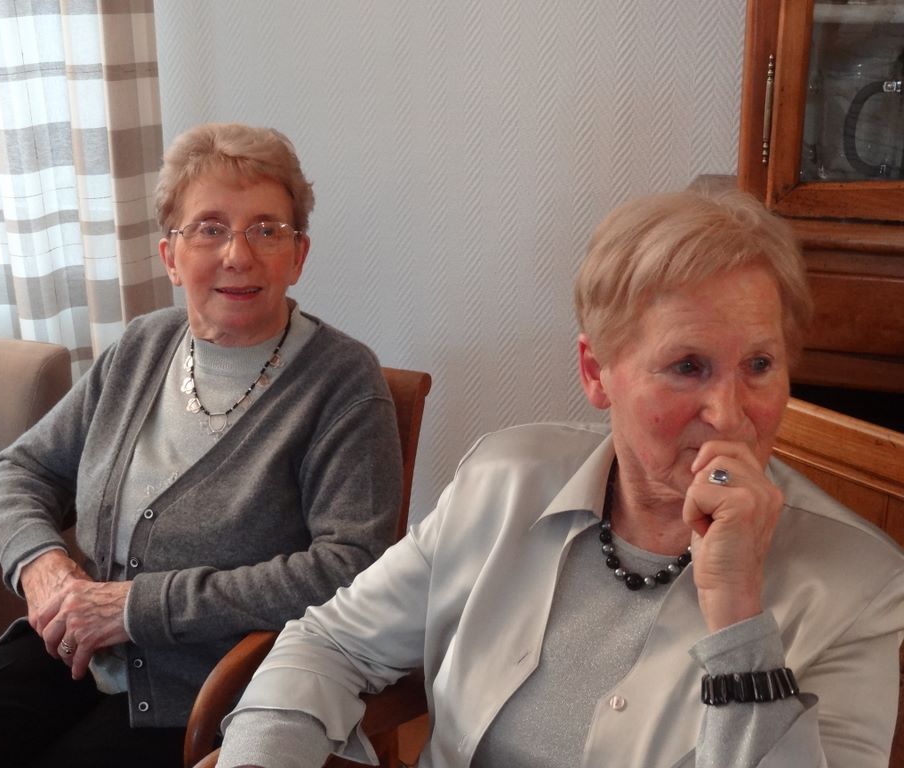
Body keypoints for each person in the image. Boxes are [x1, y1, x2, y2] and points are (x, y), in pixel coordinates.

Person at [217, 188, 904, 767]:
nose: (729, 413)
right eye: (687, 367)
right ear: (596, 372)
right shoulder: (503, 481)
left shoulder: (862, 588)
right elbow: (330, 643)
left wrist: (738, 619)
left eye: (759, 365)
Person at [0, 123, 403, 768]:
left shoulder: (343, 382)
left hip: (213, 686)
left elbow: (349, 568)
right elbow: (23, 469)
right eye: (209, 228)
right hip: (74, 651)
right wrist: (44, 569)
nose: (238, 254)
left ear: (298, 255)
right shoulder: (141, 347)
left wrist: (136, 608)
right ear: (170, 255)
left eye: (267, 230)